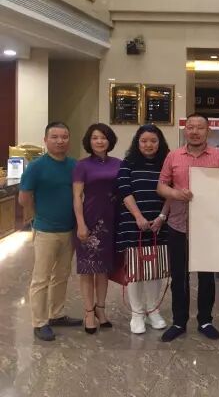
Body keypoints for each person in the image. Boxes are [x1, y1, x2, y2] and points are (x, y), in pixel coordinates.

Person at [157, 113, 219, 342]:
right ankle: (179, 321)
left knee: (207, 277)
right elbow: (161, 186)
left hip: (208, 226)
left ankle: (205, 320)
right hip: (178, 224)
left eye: (200, 127)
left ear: (208, 131)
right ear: (185, 130)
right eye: (190, 127)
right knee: (179, 276)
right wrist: (175, 193)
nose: (195, 132)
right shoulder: (174, 155)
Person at [19, 122, 81, 341]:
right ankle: (39, 322)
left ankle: (56, 314)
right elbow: (24, 198)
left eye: (64, 137)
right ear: (45, 140)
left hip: (68, 230)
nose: (60, 141)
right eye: (54, 137)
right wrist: (37, 216)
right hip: (46, 231)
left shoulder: (74, 165)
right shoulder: (36, 166)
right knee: (41, 278)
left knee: (62, 275)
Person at [116, 125, 171, 334]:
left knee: (155, 270)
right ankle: (137, 314)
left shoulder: (166, 162)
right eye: (144, 141)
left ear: (160, 143)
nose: (149, 145)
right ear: (137, 143)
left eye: (153, 141)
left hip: (160, 224)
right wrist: (138, 217)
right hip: (133, 224)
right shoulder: (128, 163)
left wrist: (162, 217)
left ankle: (153, 310)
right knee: (136, 271)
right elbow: (124, 191)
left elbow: (171, 191)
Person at [73, 123, 121, 334]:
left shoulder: (119, 163)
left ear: (110, 140)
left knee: (103, 269)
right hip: (89, 220)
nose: (100, 141)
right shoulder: (82, 165)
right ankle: (88, 313)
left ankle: (101, 309)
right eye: (95, 138)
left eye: (103, 137)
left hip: (111, 221)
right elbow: (77, 196)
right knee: (87, 269)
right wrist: (81, 223)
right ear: (89, 141)